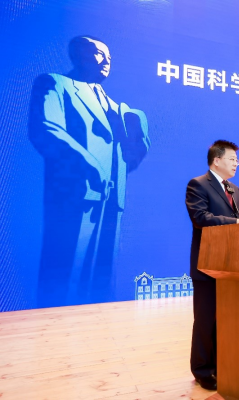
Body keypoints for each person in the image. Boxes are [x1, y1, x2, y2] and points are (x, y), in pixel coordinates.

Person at [29, 36, 150, 307]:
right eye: (98, 53)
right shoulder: (55, 84)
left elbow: (128, 158)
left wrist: (139, 145)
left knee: (103, 281)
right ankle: (54, 326)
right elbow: (46, 129)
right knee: (66, 275)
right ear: (77, 55)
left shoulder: (117, 108)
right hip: (75, 195)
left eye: (110, 57)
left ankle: (103, 327)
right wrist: (88, 163)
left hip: (112, 199)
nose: (106, 61)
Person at [185, 140, 239, 390]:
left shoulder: (234, 189)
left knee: (226, 320)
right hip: (208, 264)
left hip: (233, 265)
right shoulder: (198, 184)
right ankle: (202, 370)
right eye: (232, 159)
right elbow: (200, 218)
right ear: (217, 160)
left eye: (237, 160)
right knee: (206, 320)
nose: (236, 163)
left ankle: (223, 365)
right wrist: (236, 223)